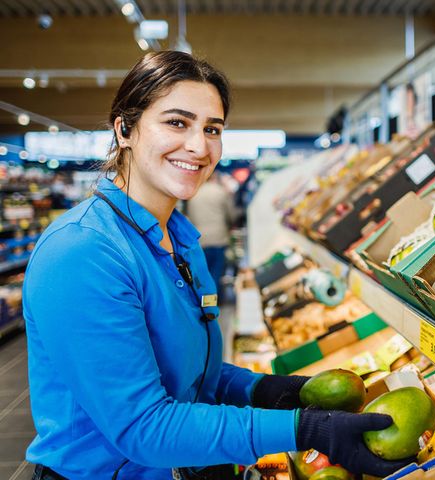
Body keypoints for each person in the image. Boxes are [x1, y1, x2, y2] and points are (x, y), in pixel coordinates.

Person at [24, 51, 412, 480]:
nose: (198, 146)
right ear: (125, 128)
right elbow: (143, 427)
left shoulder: (182, 241)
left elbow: (189, 375)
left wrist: (266, 390)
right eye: (176, 122)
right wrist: (304, 430)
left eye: (212, 129)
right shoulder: (83, 253)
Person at [187, 171, 237, 303]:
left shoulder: (193, 194)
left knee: (202, 274)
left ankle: (204, 302)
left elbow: (190, 218)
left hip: (200, 240)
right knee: (216, 272)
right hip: (218, 239)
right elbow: (231, 215)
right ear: (214, 176)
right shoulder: (220, 192)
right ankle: (213, 304)